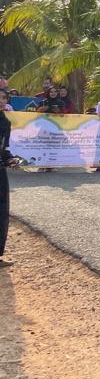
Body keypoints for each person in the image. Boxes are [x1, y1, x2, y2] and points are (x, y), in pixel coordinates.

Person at [0, 109, 16, 268]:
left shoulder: (5, 122)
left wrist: (10, 159)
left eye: (3, 97)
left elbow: (4, 149)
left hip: (0, 173)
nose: (0, 100)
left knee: (2, 212)